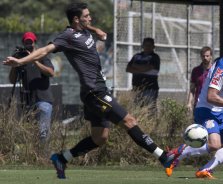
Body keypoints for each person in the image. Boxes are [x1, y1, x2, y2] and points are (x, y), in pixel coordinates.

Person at [3, 2, 182, 179]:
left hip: (95, 91)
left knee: (100, 138)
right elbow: (45, 50)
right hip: (95, 92)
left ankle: (61, 158)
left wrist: (95, 30)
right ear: (76, 20)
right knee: (129, 120)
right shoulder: (67, 36)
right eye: (86, 16)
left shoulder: (84, 30)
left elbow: (92, 30)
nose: (90, 18)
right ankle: (164, 157)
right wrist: (20, 62)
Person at [164, 38, 223, 179]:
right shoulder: (221, 69)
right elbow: (211, 96)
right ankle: (177, 153)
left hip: (221, 113)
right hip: (206, 110)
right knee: (214, 144)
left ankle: (205, 170)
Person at [9, 32, 54, 145]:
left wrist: (34, 60)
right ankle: (33, 157)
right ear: (23, 43)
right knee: (30, 132)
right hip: (28, 101)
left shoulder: (42, 56)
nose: (29, 44)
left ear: (35, 42)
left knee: (43, 132)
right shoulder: (22, 59)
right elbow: (12, 80)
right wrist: (16, 64)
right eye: (26, 42)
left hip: (43, 100)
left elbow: (51, 72)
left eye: (31, 42)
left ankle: (44, 157)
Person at [126, 37, 160, 117]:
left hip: (150, 89)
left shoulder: (155, 57)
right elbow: (128, 69)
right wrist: (143, 69)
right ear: (142, 46)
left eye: (149, 45)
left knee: (150, 110)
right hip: (137, 88)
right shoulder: (136, 56)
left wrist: (135, 67)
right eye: (145, 45)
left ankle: (152, 126)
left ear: (153, 46)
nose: (147, 47)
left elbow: (149, 67)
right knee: (137, 110)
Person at [187, 46, 213, 112]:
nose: (205, 58)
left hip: (212, 105)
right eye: (203, 56)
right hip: (198, 105)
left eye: (207, 56)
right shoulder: (195, 70)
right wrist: (189, 103)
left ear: (211, 56)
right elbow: (192, 89)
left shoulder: (215, 71)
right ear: (201, 56)